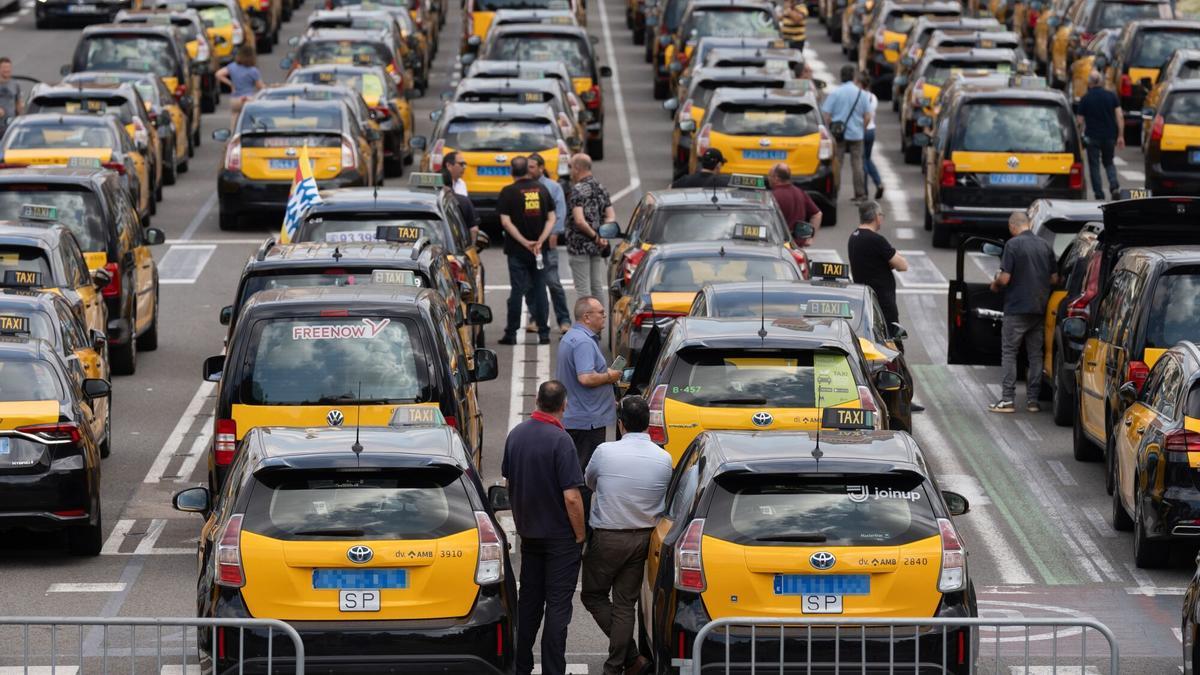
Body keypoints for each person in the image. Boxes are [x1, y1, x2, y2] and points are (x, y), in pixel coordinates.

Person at [581, 395, 672, 675]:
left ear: (620, 424)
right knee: (625, 604)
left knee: (593, 595)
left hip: (608, 536)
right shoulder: (664, 458)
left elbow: (590, 482)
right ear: (648, 423)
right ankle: (621, 664)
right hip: (643, 538)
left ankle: (628, 658)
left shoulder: (605, 452)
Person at [501, 380, 587, 675]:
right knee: (558, 608)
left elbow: (510, 482)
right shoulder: (561, 441)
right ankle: (553, 669)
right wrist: (580, 535)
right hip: (560, 539)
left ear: (536, 400)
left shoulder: (516, 435)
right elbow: (572, 497)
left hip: (530, 536)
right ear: (564, 405)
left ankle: (520, 664)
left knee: (529, 603)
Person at [988, 211, 1058, 414]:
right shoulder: (1045, 245)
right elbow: (1055, 279)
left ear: (1012, 226)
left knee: (1010, 353)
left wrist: (995, 284)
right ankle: (1033, 401)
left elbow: (1005, 278)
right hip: (1039, 309)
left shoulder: (1013, 245)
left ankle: (1007, 400)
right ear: (1029, 224)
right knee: (1035, 355)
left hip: (1016, 308)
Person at [557, 296, 620, 493]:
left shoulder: (572, 337)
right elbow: (585, 378)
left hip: (578, 417)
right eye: (600, 313)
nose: (604, 316)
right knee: (583, 478)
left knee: (574, 473)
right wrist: (609, 377)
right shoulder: (583, 342)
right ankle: (580, 513)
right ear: (586, 317)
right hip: (587, 422)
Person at [498, 156, 556, 345]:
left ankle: (511, 333)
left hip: (517, 250)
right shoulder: (542, 189)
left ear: (511, 171)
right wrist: (540, 240)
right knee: (540, 289)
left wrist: (524, 242)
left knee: (517, 290)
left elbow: (506, 222)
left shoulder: (508, 192)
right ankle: (544, 333)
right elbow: (551, 218)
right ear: (528, 170)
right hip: (539, 250)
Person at [526, 153, 572, 335]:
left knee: (553, 282)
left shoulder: (553, 187)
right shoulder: (524, 188)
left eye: (532, 167)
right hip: (529, 243)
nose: (528, 170)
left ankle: (564, 320)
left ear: (541, 168)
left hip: (547, 242)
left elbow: (560, 211)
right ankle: (536, 318)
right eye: (527, 167)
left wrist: (555, 233)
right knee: (530, 284)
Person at [848, 200, 907, 328]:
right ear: (876, 216)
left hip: (864, 298)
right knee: (891, 336)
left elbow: (872, 261)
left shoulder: (854, 237)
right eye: (881, 215)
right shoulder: (876, 240)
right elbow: (903, 266)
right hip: (882, 302)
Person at [567, 154, 616, 303]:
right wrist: (602, 236)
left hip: (579, 245)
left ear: (577, 168)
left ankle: (586, 317)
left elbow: (579, 221)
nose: (570, 171)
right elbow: (611, 216)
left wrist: (595, 237)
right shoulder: (601, 187)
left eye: (570, 167)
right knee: (596, 286)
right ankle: (600, 315)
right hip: (597, 246)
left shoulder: (577, 189)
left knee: (583, 289)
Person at [821, 64, 870, 202]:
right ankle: (860, 193)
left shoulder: (835, 93)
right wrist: (862, 128)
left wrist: (830, 128)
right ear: (853, 77)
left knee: (838, 163)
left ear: (841, 77)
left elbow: (826, 115)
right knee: (857, 164)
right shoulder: (861, 93)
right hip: (856, 134)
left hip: (838, 134)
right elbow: (867, 116)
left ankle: (835, 191)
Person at [1076, 70, 1124, 200]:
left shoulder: (1086, 98)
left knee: (1094, 165)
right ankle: (1114, 185)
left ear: (1089, 83)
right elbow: (1119, 116)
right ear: (1101, 82)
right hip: (1109, 136)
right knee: (1109, 162)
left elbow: (1079, 121)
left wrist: (1079, 138)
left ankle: (1099, 194)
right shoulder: (1111, 96)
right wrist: (1120, 135)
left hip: (1092, 137)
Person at [767, 163, 823, 246]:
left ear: (776, 177)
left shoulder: (773, 196)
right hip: (796, 247)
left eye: (770, 176)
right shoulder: (800, 193)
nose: (769, 179)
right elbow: (817, 214)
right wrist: (810, 238)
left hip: (779, 245)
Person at [215, 45, 264, 125]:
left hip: (235, 99)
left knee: (234, 118)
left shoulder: (232, 66)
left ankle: (234, 132)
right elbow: (260, 87)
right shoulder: (253, 70)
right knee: (251, 120)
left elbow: (218, 74)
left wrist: (231, 84)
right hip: (248, 99)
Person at [859, 73, 884, 200]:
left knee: (862, 161)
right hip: (871, 130)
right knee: (867, 159)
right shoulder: (873, 97)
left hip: (862, 129)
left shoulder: (860, 97)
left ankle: (864, 191)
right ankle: (878, 182)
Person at [0, 57, 24, 134]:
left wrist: (21, 118)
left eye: (8, 67)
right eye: (4, 68)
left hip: (11, 126)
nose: (7, 70)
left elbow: (18, 103)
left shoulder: (15, 84)